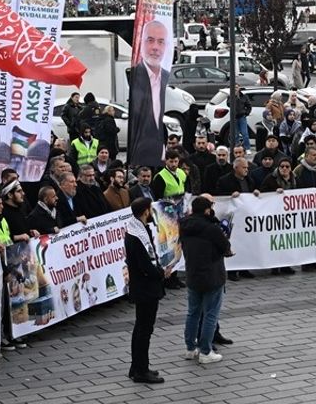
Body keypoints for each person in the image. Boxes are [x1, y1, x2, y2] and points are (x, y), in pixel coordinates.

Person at [180, 196, 231, 365]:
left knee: (193, 312)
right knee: (210, 314)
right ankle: (205, 351)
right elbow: (225, 246)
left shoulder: (185, 225)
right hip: (212, 275)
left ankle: (189, 348)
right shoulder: (211, 228)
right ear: (207, 210)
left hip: (193, 273)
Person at [124, 197, 168, 384]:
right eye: (150, 210)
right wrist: (161, 273)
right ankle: (141, 371)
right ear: (145, 212)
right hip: (146, 288)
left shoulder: (137, 229)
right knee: (144, 329)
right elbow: (145, 265)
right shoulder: (137, 236)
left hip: (143, 286)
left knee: (141, 328)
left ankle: (138, 366)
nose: (152, 213)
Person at [128, 20, 170, 169]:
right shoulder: (133, 76)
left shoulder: (166, 77)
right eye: (150, 40)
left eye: (161, 42)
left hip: (158, 155)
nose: (155, 48)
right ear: (141, 42)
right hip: (140, 155)